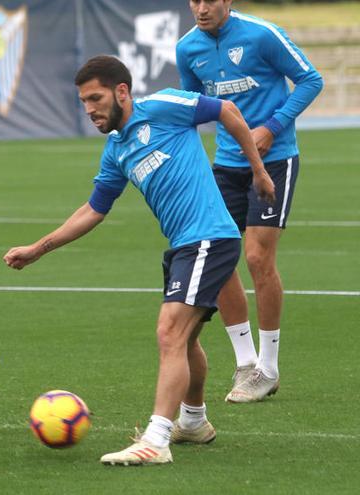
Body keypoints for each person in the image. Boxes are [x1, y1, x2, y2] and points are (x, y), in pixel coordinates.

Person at [4, 56, 275, 465]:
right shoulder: (116, 150)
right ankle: (194, 421)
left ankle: (157, 439)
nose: (89, 109)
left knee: (169, 332)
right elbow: (93, 210)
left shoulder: (165, 106)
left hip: (210, 238)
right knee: (185, 341)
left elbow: (228, 111)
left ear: (122, 92)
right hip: (183, 246)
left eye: (95, 98)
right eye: (83, 102)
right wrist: (38, 249)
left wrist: (257, 170)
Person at [177, 0, 323, 403]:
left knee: (258, 258)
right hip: (225, 164)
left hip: (275, 159)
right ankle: (246, 364)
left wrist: (272, 129)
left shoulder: (262, 34)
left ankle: (269, 368)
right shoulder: (187, 48)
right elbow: (193, 108)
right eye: (195, 1)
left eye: (210, 0)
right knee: (222, 255)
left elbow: (310, 80)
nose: (202, 8)